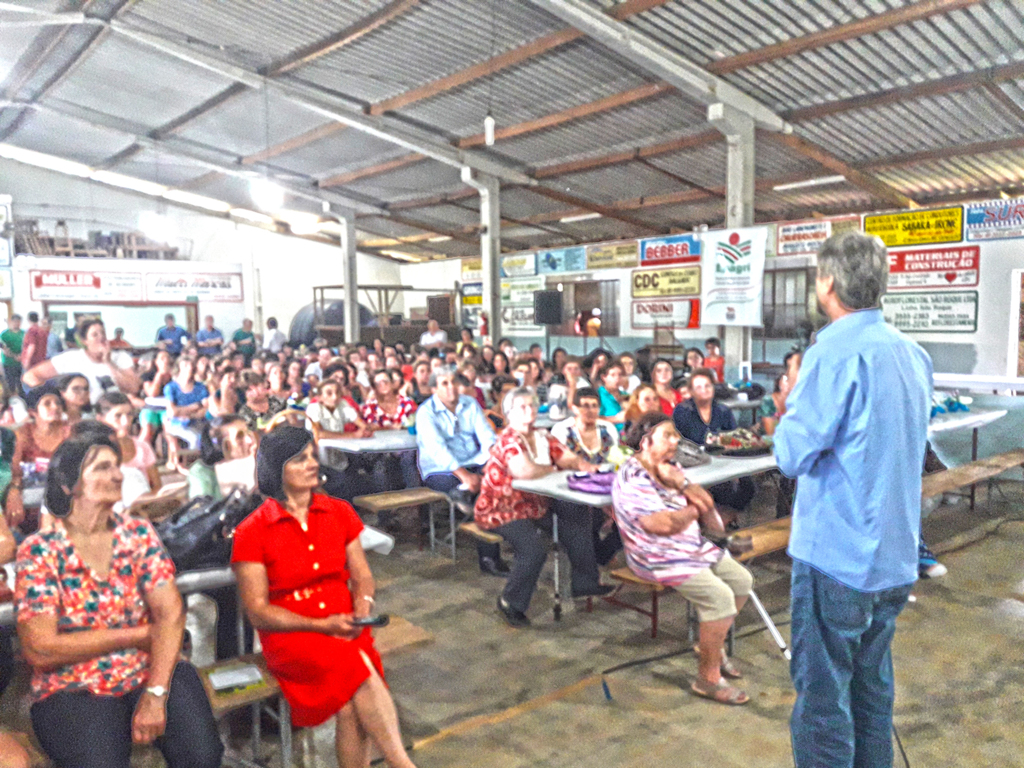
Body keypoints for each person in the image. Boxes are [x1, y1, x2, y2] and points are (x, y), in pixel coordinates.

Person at [774, 232, 931, 768]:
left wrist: (790, 407)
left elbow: (791, 454)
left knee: (823, 705)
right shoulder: (912, 355)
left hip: (837, 559)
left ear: (828, 283)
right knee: (870, 693)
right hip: (894, 558)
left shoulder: (833, 352)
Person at [15, 435, 224, 768]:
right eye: (102, 467)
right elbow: (40, 648)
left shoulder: (138, 535)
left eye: (116, 466)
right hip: (73, 683)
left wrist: (156, 694)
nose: (117, 475)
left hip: (150, 668)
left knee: (203, 755)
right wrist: (135, 635)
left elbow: (169, 616)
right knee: (100, 761)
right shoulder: (41, 551)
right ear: (69, 484)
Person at [231, 428, 417, 768]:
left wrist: (364, 606)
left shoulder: (339, 512)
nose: (312, 463)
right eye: (300, 459)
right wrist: (320, 624)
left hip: (344, 624)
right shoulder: (251, 532)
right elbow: (257, 612)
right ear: (277, 470)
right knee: (356, 671)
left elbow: (362, 577)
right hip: (293, 635)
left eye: (312, 455)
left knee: (349, 707)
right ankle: (400, 762)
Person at [612, 412, 752, 705]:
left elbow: (709, 507)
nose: (676, 441)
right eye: (668, 436)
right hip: (655, 554)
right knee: (720, 598)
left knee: (742, 581)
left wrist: (686, 489)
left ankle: (709, 645)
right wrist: (693, 507)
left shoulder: (671, 467)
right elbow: (660, 525)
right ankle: (707, 679)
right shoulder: (633, 476)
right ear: (646, 441)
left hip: (689, 545)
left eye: (676, 435)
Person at [476, 387, 610, 627]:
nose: (530, 410)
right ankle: (510, 601)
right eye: (523, 407)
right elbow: (524, 471)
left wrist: (584, 466)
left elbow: (567, 456)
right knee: (534, 548)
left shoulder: (542, 436)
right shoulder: (508, 439)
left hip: (536, 504)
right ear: (509, 414)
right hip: (502, 508)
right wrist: (556, 468)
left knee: (576, 512)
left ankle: (584, 581)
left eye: (533, 405)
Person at [415, 368, 507, 576]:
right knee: (482, 496)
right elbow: (438, 450)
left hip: (474, 461)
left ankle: (467, 496)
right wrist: (465, 476)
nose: (451, 388)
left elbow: (486, 436)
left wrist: (493, 460)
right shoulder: (426, 412)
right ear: (434, 389)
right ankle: (489, 557)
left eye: (454, 382)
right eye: (444, 383)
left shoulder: (469, 403)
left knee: (502, 483)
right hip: (441, 470)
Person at [674, 369, 755, 514]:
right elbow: (679, 443)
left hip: (723, 459)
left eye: (707, 386)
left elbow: (733, 437)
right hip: (694, 462)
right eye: (698, 387)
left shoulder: (723, 410)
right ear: (691, 391)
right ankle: (718, 519)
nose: (704, 390)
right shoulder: (682, 411)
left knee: (748, 485)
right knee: (721, 489)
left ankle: (729, 516)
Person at [24, 319, 140, 404]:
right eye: (95, 335)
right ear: (85, 341)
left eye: (103, 333)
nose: (101, 338)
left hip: (113, 413)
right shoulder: (71, 358)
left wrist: (109, 362)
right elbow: (30, 376)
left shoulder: (121, 357)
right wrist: (55, 398)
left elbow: (133, 388)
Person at [6, 384, 70, 535]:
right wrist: (14, 491)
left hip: (61, 497)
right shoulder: (23, 434)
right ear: (33, 412)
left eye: (58, 403)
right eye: (47, 403)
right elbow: (14, 469)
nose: (55, 407)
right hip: (27, 495)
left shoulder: (69, 432)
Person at [97, 393, 161, 496]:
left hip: (142, 504)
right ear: (101, 419)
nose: (126, 422)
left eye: (129, 415)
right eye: (118, 416)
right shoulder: (95, 450)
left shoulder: (142, 447)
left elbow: (156, 486)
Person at [163, 357, 209, 451]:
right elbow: (172, 412)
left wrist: (185, 413)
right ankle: (193, 461)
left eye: (191, 365)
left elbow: (204, 410)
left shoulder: (200, 388)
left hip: (199, 422)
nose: (189, 368)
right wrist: (195, 406)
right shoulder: (171, 387)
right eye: (185, 366)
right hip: (177, 424)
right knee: (195, 438)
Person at [139, 349, 173, 448]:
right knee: (147, 431)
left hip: (168, 409)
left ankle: (172, 459)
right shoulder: (148, 375)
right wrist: (159, 374)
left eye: (167, 358)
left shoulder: (175, 376)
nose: (165, 360)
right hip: (150, 408)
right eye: (162, 358)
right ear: (156, 361)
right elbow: (152, 393)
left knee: (170, 433)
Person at [0, 316, 23, 398]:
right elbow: (4, 349)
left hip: (21, 363)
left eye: (19, 322)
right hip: (8, 363)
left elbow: (27, 347)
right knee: (11, 384)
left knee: (22, 384)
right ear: (11, 322)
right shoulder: (4, 334)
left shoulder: (24, 333)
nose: (17, 323)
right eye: (15, 321)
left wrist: (22, 356)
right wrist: (14, 356)